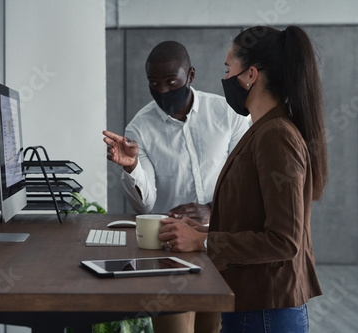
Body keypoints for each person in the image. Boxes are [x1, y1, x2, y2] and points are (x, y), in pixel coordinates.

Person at [158, 26, 327, 332]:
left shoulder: (276, 136)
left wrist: (203, 241)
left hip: (266, 310)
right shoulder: (262, 130)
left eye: (228, 69)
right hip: (254, 305)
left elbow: (284, 240)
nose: (224, 79)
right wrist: (205, 228)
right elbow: (257, 215)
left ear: (250, 75)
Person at [103, 41, 250, 332]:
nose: (163, 91)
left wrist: (211, 208)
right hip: (170, 250)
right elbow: (145, 205)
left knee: (215, 327)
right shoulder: (139, 129)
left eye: (172, 82)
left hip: (219, 242)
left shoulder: (227, 113)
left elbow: (246, 177)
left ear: (190, 76)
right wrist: (132, 167)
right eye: (154, 83)